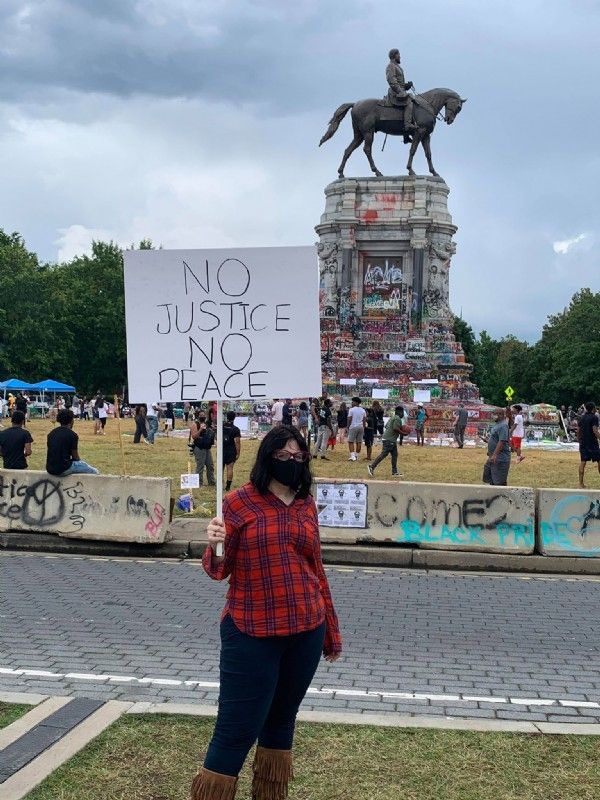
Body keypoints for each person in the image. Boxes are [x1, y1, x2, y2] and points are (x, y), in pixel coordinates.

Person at [191, 426, 341, 800]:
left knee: (280, 723)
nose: (292, 463)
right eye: (283, 456)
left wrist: (331, 630)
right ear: (267, 458)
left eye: (298, 457)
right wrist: (214, 544)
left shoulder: (305, 503)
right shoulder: (237, 503)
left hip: (306, 629)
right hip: (251, 631)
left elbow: (316, 567)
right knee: (235, 730)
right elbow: (217, 571)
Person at [46, 409, 99, 476]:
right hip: (63, 469)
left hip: (50, 468)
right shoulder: (72, 435)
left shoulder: (51, 433)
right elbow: (75, 457)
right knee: (95, 471)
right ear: (71, 421)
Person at [385, 48, 416, 143]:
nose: (400, 56)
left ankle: (406, 136)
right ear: (394, 55)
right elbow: (391, 80)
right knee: (410, 100)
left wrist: (407, 86)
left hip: (400, 91)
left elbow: (400, 84)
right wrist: (400, 91)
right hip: (395, 93)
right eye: (398, 54)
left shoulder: (397, 67)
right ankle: (407, 125)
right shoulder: (391, 66)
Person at [368, 405, 403, 478]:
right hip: (389, 439)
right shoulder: (398, 419)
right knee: (384, 454)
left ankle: (394, 472)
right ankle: (371, 466)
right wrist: (403, 433)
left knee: (394, 455)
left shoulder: (392, 417)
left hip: (389, 438)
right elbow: (395, 428)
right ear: (400, 412)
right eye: (402, 412)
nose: (403, 414)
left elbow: (386, 426)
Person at [483, 408, 511, 486]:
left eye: (494, 414)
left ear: (500, 415)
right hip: (492, 457)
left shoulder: (503, 426)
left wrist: (495, 455)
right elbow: (497, 439)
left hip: (500, 458)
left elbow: (502, 441)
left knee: (499, 482)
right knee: (488, 476)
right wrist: (488, 441)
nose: (493, 416)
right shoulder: (498, 425)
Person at [578, 402, 600, 488]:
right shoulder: (594, 417)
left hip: (583, 442)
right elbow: (595, 430)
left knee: (583, 462)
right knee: (599, 460)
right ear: (593, 408)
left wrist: (579, 439)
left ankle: (580, 484)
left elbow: (578, 429)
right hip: (592, 443)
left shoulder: (582, 417)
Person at [190, 412, 216, 486]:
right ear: (198, 416)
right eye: (201, 415)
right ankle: (198, 483)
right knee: (200, 466)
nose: (203, 417)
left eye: (204, 415)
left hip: (207, 447)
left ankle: (211, 482)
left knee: (210, 465)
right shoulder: (195, 424)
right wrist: (200, 429)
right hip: (199, 448)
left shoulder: (206, 424)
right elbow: (194, 436)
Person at [222, 411, 241, 492]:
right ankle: (228, 486)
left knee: (220, 468)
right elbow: (237, 442)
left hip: (222, 449)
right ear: (234, 417)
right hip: (231, 449)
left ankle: (220, 485)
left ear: (227, 417)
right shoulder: (235, 429)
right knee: (230, 468)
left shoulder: (222, 426)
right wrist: (238, 453)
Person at [347, 397, 366, 461]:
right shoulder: (363, 410)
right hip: (361, 427)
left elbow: (349, 419)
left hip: (353, 426)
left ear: (356, 402)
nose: (352, 403)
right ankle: (356, 456)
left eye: (353, 402)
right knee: (359, 442)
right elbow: (364, 420)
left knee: (350, 441)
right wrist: (363, 427)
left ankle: (352, 456)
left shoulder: (351, 410)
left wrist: (348, 426)